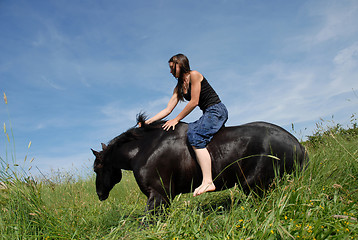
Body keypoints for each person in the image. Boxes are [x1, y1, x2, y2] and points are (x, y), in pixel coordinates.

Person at [145, 53, 228, 196]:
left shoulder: (194, 75)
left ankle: (208, 181)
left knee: (194, 133)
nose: (170, 72)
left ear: (180, 64)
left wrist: (176, 119)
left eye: (172, 68)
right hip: (207, 113)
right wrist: (148, 122)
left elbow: (194, 101)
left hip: (216, 110)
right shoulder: (178, 87)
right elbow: (167, 109)